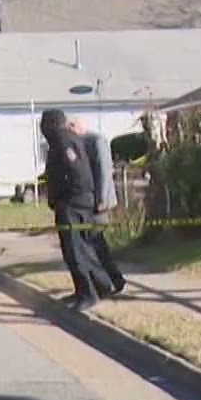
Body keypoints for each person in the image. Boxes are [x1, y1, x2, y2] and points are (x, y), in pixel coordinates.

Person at [41, 108, 115, 310]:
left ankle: (88, 293)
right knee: (81, 248)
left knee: (75, 251)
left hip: (73, 203)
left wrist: (65, 197)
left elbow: (76, 172)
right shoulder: (65, 140)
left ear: (51, 124)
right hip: (75, 201)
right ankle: (98, 285)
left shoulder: (64, 142)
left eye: (44, 124)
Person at [69, 117, 126, 295]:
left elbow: (104, 170)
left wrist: (102, 199)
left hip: (98, 201)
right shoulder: (78, 142)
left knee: (97, 242)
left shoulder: (96, 141)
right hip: (87, 201)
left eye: (71, 127)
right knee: (93, 243)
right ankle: (107, 281)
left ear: (76, 126)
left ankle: (113, 280)